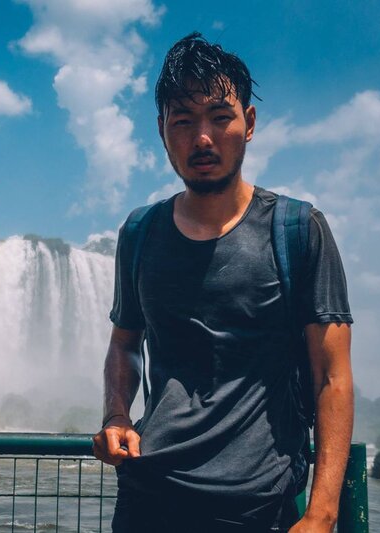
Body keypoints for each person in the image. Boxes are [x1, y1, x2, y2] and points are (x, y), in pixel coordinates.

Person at [92, 32, 354, 532]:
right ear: (162, 131)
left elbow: (332, 378)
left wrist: (322, 512)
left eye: (220, 116)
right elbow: (125, 342)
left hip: (258, 505)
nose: (203, 138)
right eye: (183, 121)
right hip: (149, 495)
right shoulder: (139, 232)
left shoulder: (299, 229)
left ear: (249, 124)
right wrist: (116, 417)